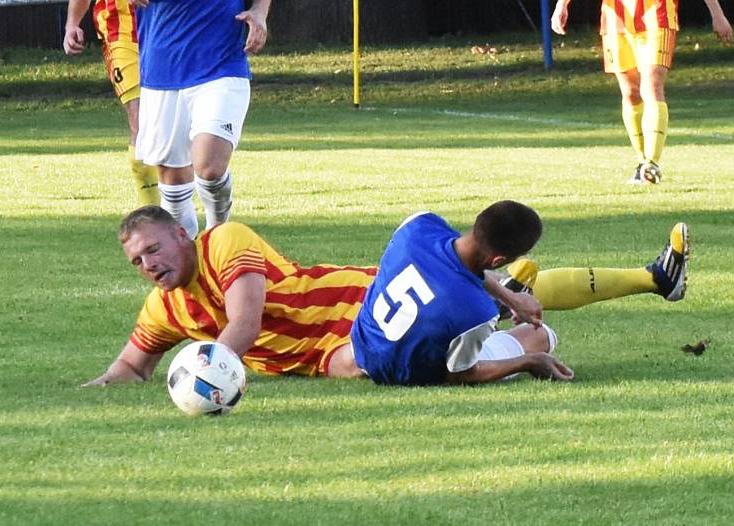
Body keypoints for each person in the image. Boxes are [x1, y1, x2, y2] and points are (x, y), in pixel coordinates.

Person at [85, 203, 689, 387]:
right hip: (329, 356)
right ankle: (645, 280)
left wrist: (205, 377)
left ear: (183, 234)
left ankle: (638, 283)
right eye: (137, 261)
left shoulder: (223, 241)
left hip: (361, 302)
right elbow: (131, 364)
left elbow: (242, 321)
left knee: (497, 316)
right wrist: (93, 392)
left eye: (154, 250)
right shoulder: (164, 307)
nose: (148, 265)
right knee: (503, 297)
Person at [130, 0, 271, 239]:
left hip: (221, 64)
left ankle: (217, 237)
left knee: (209, 167)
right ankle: (190, 267)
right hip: (161, 67)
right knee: (173, 183)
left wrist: (260, 12)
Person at [551, 0, 733, 184]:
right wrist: (562, 5)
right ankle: (642, 162)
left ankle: (652, 163)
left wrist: (717, 14)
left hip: (658, 15)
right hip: (616, 18)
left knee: (652, 85)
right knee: (630, 92)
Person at [63, 0, 160, 206]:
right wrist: (72, 23)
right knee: (142, 124)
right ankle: (153, 215)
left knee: (176, 127)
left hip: (170, 24)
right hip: (121, 32)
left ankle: (185, 210)